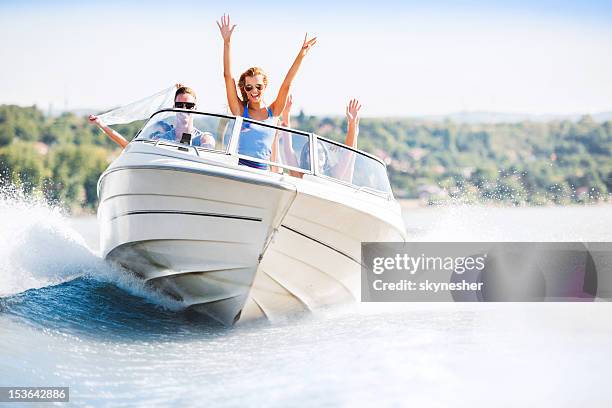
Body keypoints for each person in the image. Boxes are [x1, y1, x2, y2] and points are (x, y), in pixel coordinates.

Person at [217, 13, 317, 169]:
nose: (254, 91)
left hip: (264, 174)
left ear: (265, 86)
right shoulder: (239, 110)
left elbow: (287, 84)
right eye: (249, 87)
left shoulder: (274, 111)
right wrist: (227, 43)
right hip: (240, 171)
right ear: (244, 89)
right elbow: (227, 76)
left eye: (258, 86)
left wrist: (301, 55)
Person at [89, 85, 215, 148]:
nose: (184, 109)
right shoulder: (160, 139)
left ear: (196, 108)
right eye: (180, 105)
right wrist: (102, 124)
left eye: (189, 105)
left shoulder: (204, 139)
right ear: (173, 106)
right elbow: (129, 147)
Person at [280, 95, 362, 181]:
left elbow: (347, 153)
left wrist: (352, 124)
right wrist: (286, 113)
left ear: (325, 156)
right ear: (305, 156)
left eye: (319, 151)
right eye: (310, 151)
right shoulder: (299, 174)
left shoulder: (333, 174)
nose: (316, 154)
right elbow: (288, 150)